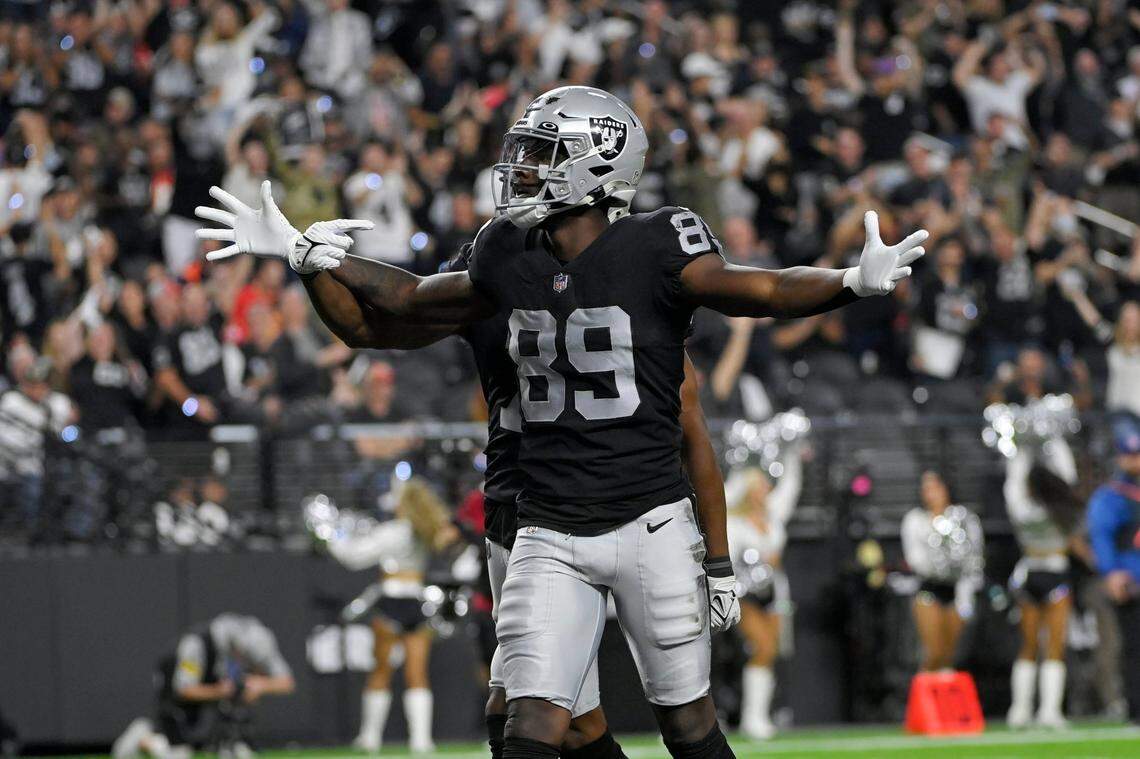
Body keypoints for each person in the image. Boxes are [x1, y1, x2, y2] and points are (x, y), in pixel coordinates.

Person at [196, 85, 926, 759]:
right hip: (539, 516)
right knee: (526, 718)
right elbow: (407, 302)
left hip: (647, 516)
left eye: (542, 153)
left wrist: (848, 282)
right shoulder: (505, 257)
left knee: (687, 721)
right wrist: (309, 255)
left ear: (598, 163)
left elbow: (753, 291)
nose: (519, 169)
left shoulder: (654, 251)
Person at [323, 477, 459, 753]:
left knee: (381, 671)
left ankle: (370, 738)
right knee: (417, 672)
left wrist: (330, 537)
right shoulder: (426, 530)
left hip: (391, 600)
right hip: (418, 601)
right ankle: (421, 740)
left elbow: (354, 556)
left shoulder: (394, 531)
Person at [111, 613, 294, 759]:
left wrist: (260, 685)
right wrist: (220, 691)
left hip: (215, 700)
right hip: (177, 702)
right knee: (177, 754)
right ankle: (146, 739)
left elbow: (286, 683)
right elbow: (183, 689)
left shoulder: (258, 641)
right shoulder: (196, 645)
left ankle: (234, 742)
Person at [1003, 439, 1088, 728]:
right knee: (1052, 645)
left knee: (1028, 645)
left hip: (1033, 572)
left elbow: (1013, 484)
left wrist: (1022, 450)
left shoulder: (1021, 509)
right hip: (1051, 572)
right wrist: (1056, 440)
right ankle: (1042, 710)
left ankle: (1024, 709)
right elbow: (1067, 476)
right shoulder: (1060, 508)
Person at [724, 441, 803, 740]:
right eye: (758, 485)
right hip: (746, 593)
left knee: (770, 652)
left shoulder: (773, 516)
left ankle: (757, 716)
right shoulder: (735, 522)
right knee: (762, 647)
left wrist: (793, 450)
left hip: (774, 594)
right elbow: (729, 560)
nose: (765, 489)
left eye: (766, 485)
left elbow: (791, 488)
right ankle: (752, 717)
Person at [901, 471, 984, 672]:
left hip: (958, 591)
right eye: (926, 489)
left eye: (935, 487)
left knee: (949, 655)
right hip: (929, 588)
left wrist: (969, 584)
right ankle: (925, 700)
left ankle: (946, 700)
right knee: (934, 653)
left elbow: (975, 555)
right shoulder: (915, 520)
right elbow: (915, 559)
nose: (930, 493)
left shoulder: (965, 518)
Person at [1087, 413, 1140, 724]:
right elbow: (1102, 535)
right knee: (1132, 646)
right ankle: (1135, 706)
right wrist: (1111, 572)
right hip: (1131, 579)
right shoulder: (1112, 496)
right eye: (1129, 454)